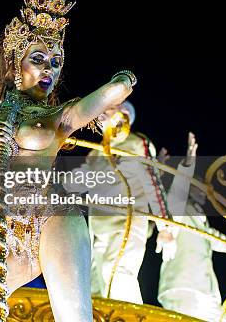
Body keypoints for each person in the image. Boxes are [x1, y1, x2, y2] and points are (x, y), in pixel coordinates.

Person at [0, 0, 135, 322]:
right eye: (39, 59)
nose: (49, 70)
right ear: (16, 61)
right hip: (5, 230)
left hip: (54, 216)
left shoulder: (58, 116)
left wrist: (123, 81)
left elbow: (114, 92)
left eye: (56, 62)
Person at [62, 102, 174, 304]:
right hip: (98, 230)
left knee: (118, 276)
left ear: (124, 115)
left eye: (108, 110)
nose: (101, 114)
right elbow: (75, 182)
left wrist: (165, 227)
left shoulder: (137, 143)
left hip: (126, 224)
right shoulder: (96, 153)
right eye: (101, 111)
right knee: (95, 285)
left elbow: (153, 184)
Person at [157, 134, 226, 321]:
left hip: (205, 292)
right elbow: (176, 196)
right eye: (201, 187)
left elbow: (217, 239)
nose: (206, 192)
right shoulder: (180, 209)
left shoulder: (199, 217)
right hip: (184, 289)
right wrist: (188, 163)